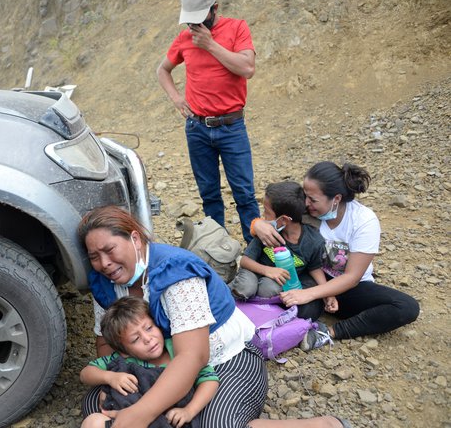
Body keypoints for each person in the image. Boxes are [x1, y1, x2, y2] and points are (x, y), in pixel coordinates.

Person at [77, 205, 353, 428]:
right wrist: (113, 378)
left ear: (135, 239)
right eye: (94, 256)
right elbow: (108, 343)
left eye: (109, 250)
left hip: (224, 360)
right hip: (159, 363)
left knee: (216, 424)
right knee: (98, 405)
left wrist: (141, 412)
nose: (104, 263)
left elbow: (192, 357)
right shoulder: (105, 283)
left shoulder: (175, 273)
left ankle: (323, 425)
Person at [252, 162, 420, 351]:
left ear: (336, 199)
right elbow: (273, 215)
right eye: (305, 196)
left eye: (313, 199)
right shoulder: (304, 210)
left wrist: (308, 294)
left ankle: (328, 332)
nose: (306, 203)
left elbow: (352, 277)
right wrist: (257, 224)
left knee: (406, 307)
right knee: (301, 309)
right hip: (310, 277)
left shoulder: (363, 221)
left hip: (348, 288)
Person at [156, 0, 260, 243]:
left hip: (232, 126)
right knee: (209, 194)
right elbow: (163, 70)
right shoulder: (184, 38)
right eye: (191, 21)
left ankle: (256, 252)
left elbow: (247, 68)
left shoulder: (237, 28)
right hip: (197, 128)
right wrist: (177, 99)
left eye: (201, 19)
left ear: (215, 8)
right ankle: (218, 250)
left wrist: (210, 44)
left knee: (244, 193)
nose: (196, 26)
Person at [80, 296, 219, 428]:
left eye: (149, 328)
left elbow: (209, 380)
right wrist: (110, 377)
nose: (147, 338)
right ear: (124, 351)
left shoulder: (179, 352)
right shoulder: (122, 359)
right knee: (93, 422)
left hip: (171, 422)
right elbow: (86, 373)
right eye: (135, 339)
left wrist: (190, 410)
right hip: (130, 422)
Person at [230, 181, 338, 320]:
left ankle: (254, 310)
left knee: (270, 289)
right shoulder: (267, 234)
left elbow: (314, 268)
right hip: (253, 271)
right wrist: (268, 270)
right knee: (245, 288)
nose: (264, 217)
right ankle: (226, 297)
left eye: (267, 213)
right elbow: (245, 261)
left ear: (284, 220)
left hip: (273, 283)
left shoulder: (314, 241)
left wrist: (328, 293)